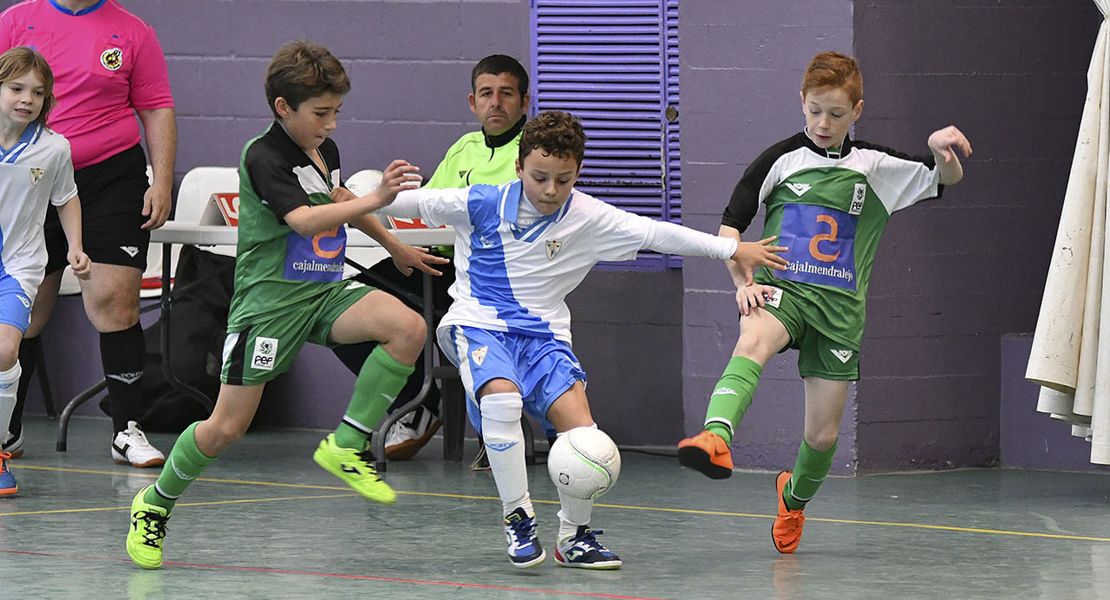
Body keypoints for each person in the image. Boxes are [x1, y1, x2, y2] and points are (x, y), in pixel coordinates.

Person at [370, 110, 788, 569]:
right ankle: (518, 516)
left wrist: (732, 248)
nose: (550, 190)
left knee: (583, 435)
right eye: (540, 177)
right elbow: (397, 206)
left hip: (545, 337)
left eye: (563, 180)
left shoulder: (589, 216)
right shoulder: (479, 202)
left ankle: (574, 537)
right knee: (503, 403)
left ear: (577, 173)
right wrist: (363, 196)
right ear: (518, 168)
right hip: (480, 323)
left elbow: (658, 234)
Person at [124, 40, 446, 570]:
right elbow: (303, 220)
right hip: (269, 307)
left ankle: (347, 443)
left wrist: (392, 243)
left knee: (408, 328)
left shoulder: (325, 151)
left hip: (321, 292)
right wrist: (380, 198)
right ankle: (155, 504)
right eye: (322, 113)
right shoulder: (263, 155)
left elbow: (337, 201)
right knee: (225, 429)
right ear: (283, 108)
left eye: (337, 111)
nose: (332, 124)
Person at [675, 51, 972, 554]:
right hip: (782, 293)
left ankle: (792, 500)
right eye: (814, 110)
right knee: (752, 341)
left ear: (857, 110)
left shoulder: (875, 167)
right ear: (801, 102)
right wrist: (741, 280)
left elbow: (946, 179)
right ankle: (715, 437)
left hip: (839, 315)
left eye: (835, 113)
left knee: (823, 435)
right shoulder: (780, 160)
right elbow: (731, 228)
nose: (822, 123)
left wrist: (940, 151)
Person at [0, 0, 177, 467]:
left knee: (116, 299)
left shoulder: (133, 31)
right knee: (31, 307)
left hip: (110, 179)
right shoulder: (17, 20)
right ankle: (8, 429)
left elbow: (156, 107)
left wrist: (160, 180)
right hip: (31, 177)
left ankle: (126, 430)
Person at [332, 53, 531, 462]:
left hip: (489, 277)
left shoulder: (533, 152)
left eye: (506, 94)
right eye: (486, 94)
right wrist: (371, 202)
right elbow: (427, 208)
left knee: (406, 311)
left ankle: (426, 409)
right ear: (472, 102)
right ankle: (422, 403)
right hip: (435, 263)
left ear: (525, 103)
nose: (495, 103)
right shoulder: (463, 148)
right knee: (340, 315)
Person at [0, 47, 91, 495]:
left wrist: (75, 246)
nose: (26, 99)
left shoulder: (53, 148)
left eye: (37, 92)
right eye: (16, 88)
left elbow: (67, 198)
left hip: (17, 267)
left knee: (4, 352)